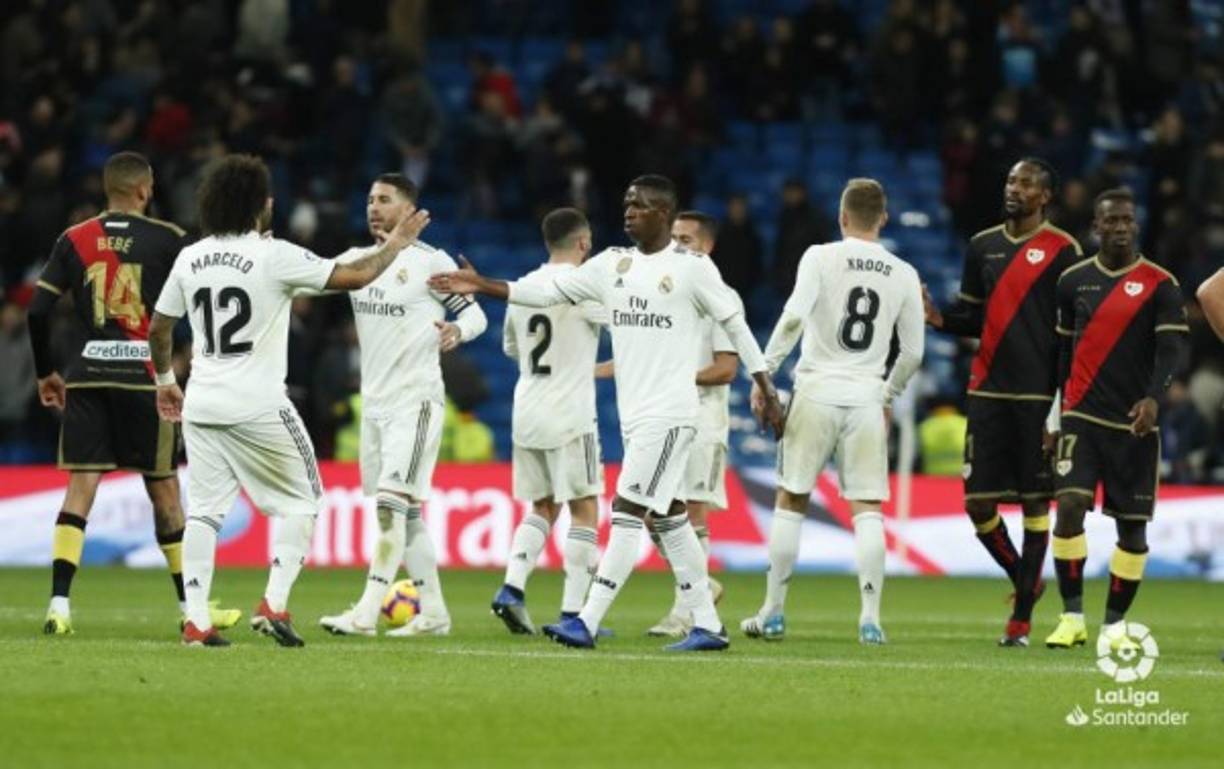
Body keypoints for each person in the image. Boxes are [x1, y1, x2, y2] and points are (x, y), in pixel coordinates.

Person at [430, 175, 786, 652]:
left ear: (664, 212)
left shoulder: (693, 268)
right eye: (626, 202)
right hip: (636, 416)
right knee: (670, 516)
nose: (629, 209)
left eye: (640, 204)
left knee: (627, 509)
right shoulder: (611, 263)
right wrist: (482, 285)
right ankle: (708, 624)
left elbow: (736, 325)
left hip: (671, 413)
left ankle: (586, 620)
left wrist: (765, 384)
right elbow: (548, 293)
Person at [148, 154, 430, 647]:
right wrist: (399, 246)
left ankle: (196, 620)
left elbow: (158, 327)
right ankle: (274, 604)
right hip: (257, 403)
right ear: (260, 206)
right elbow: (357, 276)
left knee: (205, 513)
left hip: (203, 402)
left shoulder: (190, 256)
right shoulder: (272, 254)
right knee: (304, 499)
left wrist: (165, 380)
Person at [25, 151, 240, 636]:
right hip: (145, 378)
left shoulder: (73, 238)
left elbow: (38, 311)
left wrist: (46, 373)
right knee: (164, 489)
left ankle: (59, 606)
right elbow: (208, 297)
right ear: (144, 189)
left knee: (81, 487)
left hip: (87, 375)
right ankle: (192, 611)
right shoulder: (169, 240)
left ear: (108, 189)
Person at [741, 178, 924, 645]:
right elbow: (914, 354)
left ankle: (773, 613)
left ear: (842, 217)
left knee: (792, 499)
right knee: (867, 509)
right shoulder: (902, 271)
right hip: (864, 397)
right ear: (882, 219)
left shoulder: (819, 257)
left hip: (817, 389)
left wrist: (764, 376)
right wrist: (886, 395)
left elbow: (794, 317)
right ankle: (870, 620)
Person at [316, 173, 487, 638]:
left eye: (385, 200)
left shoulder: (432, 263)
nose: (374, 207)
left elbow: (475, 313)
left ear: (409, 210)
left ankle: (367, 612)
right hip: (373, 405)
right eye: (370, 199)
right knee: (406, 513)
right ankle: (434, 614)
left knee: (391, 507)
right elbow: (306, 280)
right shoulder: (355, 262)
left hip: (416, 401)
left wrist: (458, 330)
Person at [923, 158, 1084, 647]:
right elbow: (973, 315)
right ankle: (1025, 579)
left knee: (1037, 503)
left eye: (1027, 183)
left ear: (1045, 197)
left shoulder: (1064, 251)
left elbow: (1072, 334)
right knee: (977, 504)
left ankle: (1020, 623)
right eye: (1011, 180)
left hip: (1038, 395)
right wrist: (940, 318)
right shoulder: (982, 246)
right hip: (987, 389)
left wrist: (1062, 402)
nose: (1015, 188)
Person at [1045, 188, 1188, 650]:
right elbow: (1062, 353)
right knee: (1068, 507)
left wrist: (1153, 398)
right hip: (1081, 418)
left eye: (1128, 219)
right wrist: (1053, 414)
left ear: (1136, 224)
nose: (1121, 227)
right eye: (1112, 221)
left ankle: (1113, 627)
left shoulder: (1160, 283)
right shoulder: (1072, 281)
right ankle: (1071, 618)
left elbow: (1172, 349)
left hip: (1134, 424)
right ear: (1096, 227)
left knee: (1132, 529)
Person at [490, 208, 606, 635]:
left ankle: (512, 588)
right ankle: (574, 613)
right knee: (584, 506)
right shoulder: (587, 291)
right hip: (571, 411)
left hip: (528, 409)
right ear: (582, 243)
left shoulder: (521, 286)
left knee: (542, 506)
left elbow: (510, 348)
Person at [645, 211, 737, 638]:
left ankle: (687, 611)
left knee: (692, 513)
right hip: (666, 415)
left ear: (708, 246)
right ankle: (701, 587)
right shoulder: (670, 293)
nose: (679, 246)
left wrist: (678, 375)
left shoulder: (720, 297)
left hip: (704, 418)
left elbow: (725, 368)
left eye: (688, 239)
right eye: (675, 238)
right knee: (651, 513)